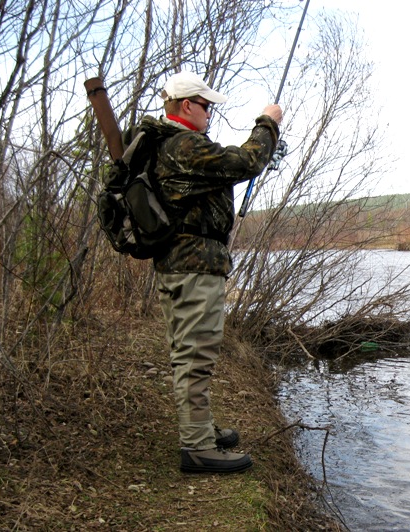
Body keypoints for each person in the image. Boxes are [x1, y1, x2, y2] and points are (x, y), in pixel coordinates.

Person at [136, 71, 282, 473]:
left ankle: (201, 429)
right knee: (195, 356)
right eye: (206, 106)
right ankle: (197, 448)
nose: (209, 113)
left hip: (186, 264)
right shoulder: (183, 145)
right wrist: (267, 122)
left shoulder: (172, 145)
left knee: (192, 352)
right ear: (186, 106)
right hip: (192, 265)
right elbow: (246, 160)